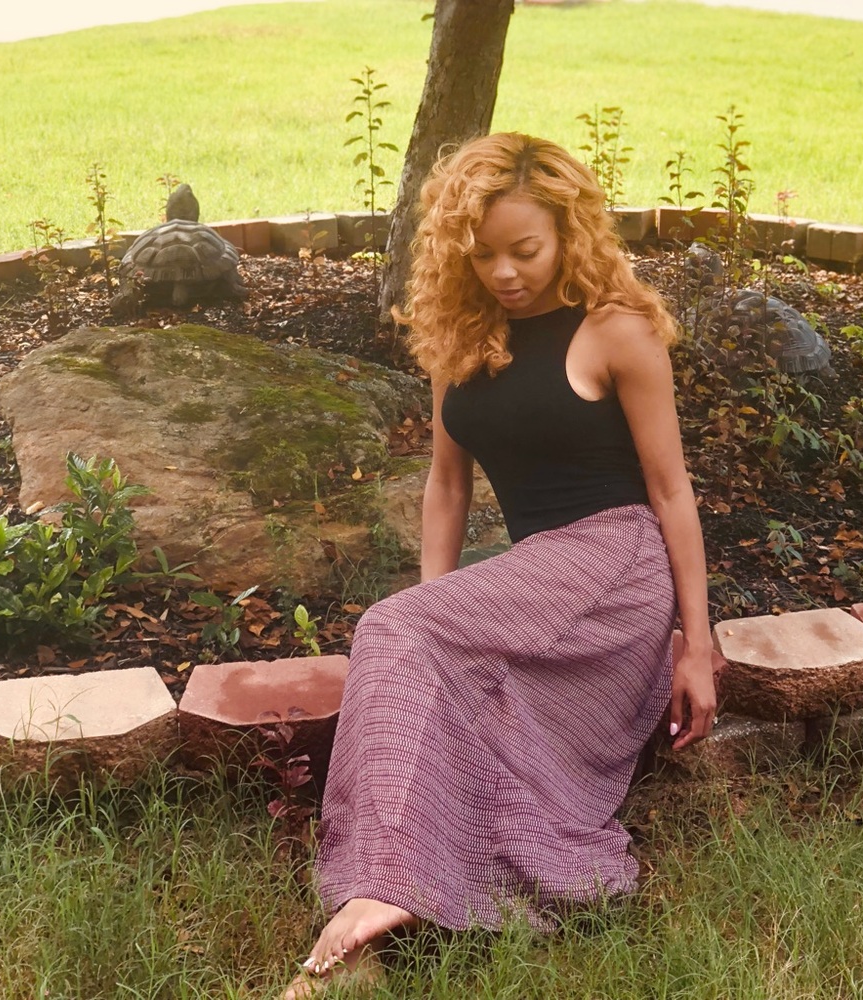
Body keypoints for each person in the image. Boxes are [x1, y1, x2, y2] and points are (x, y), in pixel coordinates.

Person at [283, 132, 716, 998]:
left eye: (525, 249)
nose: (505, 272)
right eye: (483, 255)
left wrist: (697, 646)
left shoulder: (616, 331)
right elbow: (446, 488)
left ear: (569, 233)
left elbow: (671, 492)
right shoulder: (462, 337)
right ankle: (379, 909)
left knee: (391, 627)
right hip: (543, 572)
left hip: (616, 566)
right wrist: (439, 614)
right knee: (408, 636)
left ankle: (378, 895)